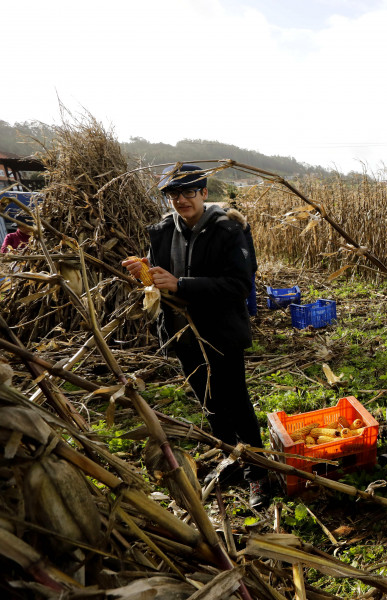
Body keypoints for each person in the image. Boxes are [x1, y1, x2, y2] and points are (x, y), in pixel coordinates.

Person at [122, 164, 269, 508]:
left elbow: (239, 285)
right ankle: (229, 457)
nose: (182, 200)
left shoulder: (229, 229)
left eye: (190, 192)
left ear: (204, 193)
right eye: (175, 194)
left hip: (220, 329)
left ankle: (257, 473)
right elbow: (161, 284)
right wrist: (146, 274)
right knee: (208, 399)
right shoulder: (160, 230)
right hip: (180, 330)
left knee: (235, 398)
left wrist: (181, 284)